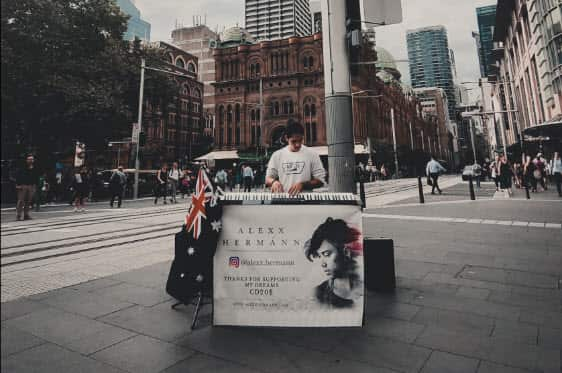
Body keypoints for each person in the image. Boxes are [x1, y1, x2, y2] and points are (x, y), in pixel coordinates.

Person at [304, 218, 363, 308]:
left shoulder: (364, 286)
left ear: (346, 252)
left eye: (327, 254)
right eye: (319, 256)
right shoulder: (319, 294)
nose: (323, 263)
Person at [265, 119, 326, 195]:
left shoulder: (312, 154)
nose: (298, 144)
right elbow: (267, 179)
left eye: (300, 140)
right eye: (294, 141)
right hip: (283, 200)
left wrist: (303, 185)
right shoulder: (277, 155)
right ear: (286, 138)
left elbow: (320, 181)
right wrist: (274, 182)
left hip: (305, 201)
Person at [15, 154, 40, 221]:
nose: (31, 160)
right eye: (29, 159)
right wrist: (18, 184)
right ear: (26, 160)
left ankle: (26, 215)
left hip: (31, 186)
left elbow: (37, 177)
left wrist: (35, 186)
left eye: (32, 159)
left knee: (28, 201)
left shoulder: (35, 168)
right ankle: (18, 215)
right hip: (23, 185)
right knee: (20, 201)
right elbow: (17, 176)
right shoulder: (22, 167)